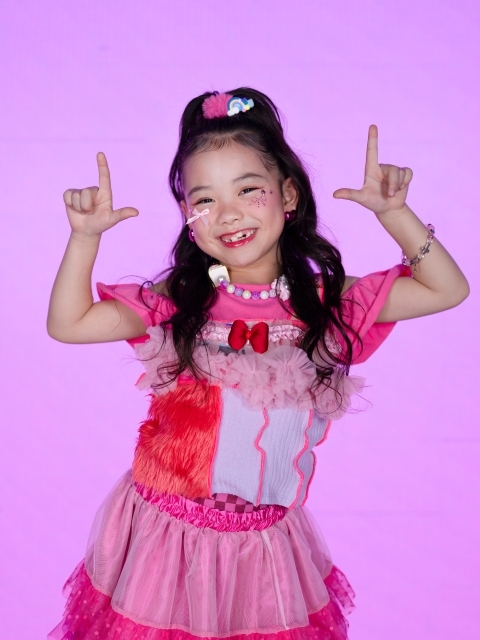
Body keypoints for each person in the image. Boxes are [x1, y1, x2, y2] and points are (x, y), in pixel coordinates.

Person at [47, 88, 469, 640]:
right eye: (205, 199)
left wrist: (395, 213)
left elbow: (447, 289)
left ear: (288, 193)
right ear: (188, 215)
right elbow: (70, 323)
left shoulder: (329, 306)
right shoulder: (180, 302)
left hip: (265, 550)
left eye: (249, 190)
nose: (229, 215)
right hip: (165, 543)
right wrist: (84, 239)